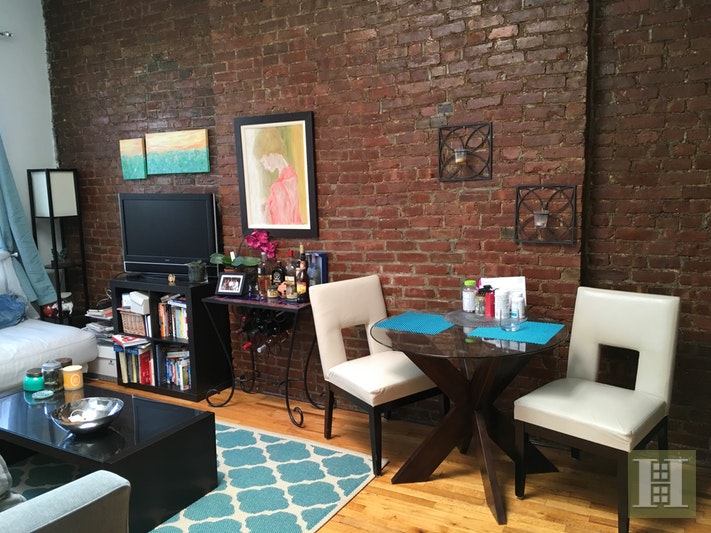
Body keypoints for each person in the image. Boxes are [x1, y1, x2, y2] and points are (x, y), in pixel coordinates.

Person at [253, 127, 303, 225]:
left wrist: (266, 216)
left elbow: (281, 223)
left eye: (263, 161)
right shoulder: (292, 177)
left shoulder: (278, 187)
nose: (265, 167)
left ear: (270, 154)